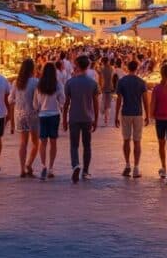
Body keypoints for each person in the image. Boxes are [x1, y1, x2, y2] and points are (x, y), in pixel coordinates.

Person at [63, 55, 99, 183]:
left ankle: (76, 165)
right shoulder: (93, 83)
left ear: (77, 66)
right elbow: (95, 103)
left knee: (74, 145)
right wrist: (96, 119)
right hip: (87, 118)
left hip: (74, 117)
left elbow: (66, 103)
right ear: (87, 66)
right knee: (87, 145)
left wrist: (64, 120)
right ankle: (85, 171)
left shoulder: (70, 83)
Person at [114, 59, 149, 178]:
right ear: (137, 68)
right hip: (138, 113)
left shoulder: (122, 81)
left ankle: (127, 165)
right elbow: (145, 100)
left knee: (126, 140)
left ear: (127, 68)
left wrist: (116, 115)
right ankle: (136, 168)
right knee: (137, 141)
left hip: (126, 112)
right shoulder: (141, 82)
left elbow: (119, 99)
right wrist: (147, 115)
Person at [33, 61, 65, 180]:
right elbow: (62, 100)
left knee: (43, 142)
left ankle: (43, 165)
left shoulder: (39, 85)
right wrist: (59, 104)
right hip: (54, 115)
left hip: (42, 115)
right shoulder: (58, 84)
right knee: (53, 142)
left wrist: (38, 108)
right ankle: (51, 168)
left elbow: (35, 104)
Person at [8, 58, 40, 177]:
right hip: (32, 114)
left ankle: (22, 169)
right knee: (35, 142)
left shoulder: (16, 82)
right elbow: (38, 99)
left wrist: (18, 101)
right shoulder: (36, 82)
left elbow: (10, 99)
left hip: (19, 114)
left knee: (23, 143)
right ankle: (29, 164)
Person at [99, 57, 115, 125]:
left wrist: (100, 87)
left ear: (103, 62)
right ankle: (106, 118)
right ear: (108, 61)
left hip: (104, 87)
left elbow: (101, 79)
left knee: (104, 102)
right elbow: (113, 78)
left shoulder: (102, 69)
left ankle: (105, 116)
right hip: (110, 87)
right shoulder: (112, 68)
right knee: (108, 103)